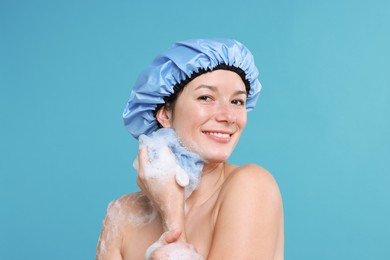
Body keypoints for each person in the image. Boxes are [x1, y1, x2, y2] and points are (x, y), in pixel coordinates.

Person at [96, 39, 284, 259]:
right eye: (206, 97)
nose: (228, 116)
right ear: (165, 114)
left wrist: (172, 217)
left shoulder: (252, 185)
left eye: (237, 101)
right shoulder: (122, 215)